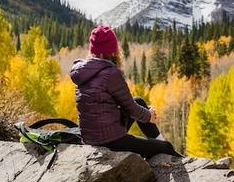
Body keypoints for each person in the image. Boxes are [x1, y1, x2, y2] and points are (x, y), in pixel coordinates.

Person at [70, 25, 182, 159]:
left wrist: (146, 113)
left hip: (91, 137)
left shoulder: (83, 72)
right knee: (166, 147)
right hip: (110, 141)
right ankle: (168, 151)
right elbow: (132, 109)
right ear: (113, 51)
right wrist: (149, 116)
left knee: (139, 100)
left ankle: (159, 143)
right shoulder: (110, 74)